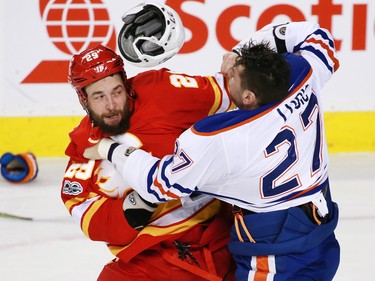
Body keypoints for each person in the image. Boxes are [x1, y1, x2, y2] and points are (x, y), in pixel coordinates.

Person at [85, 21, 341, 280]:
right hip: (322, 226)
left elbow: (158, 185)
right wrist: (243, 52)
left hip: (278, 250)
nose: (227, 71)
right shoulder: (305, 76)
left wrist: (112, 149)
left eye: (234, 75)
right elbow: (316, 35)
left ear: (249, 97)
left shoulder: (221, 138)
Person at [61, 2, 236, 280]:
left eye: (116, 91)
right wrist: (140, 202)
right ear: (83, 100)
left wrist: (235, 67)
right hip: (154, 259)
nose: (111, 105)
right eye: (99, 96)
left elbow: (230, 92)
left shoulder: (162, 91)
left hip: (219, 236)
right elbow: (91, 219)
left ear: (127, 83)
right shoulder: (83, 149)